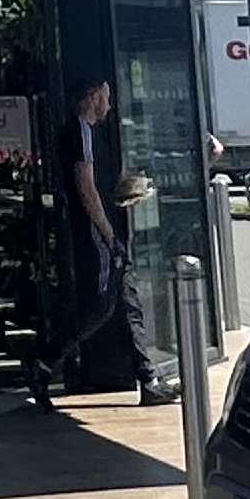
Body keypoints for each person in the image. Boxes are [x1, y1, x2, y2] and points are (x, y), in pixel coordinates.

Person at [42, 75, 176, 407]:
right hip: (96, 232)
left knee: (128, 300)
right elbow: (85, 186)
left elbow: (99, 183)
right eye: (105, 97)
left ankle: (148, 377)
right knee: (100, 307)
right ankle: (44, 361)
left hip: (105, 229)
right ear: (91, 98)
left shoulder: (93, 133)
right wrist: (107, 231)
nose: (109, 105)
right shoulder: (80, 131)